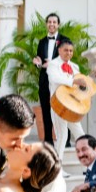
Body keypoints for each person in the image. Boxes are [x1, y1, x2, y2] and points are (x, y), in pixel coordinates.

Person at [46, 38, 91, 152]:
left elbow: (79, 84)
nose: (69, 53)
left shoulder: (75, 67)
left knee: (81, 135)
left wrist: (90, 77)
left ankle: (89, 166)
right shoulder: (53, 65)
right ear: (59, 50)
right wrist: (74, 81)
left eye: (71, 51)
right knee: (62, 137)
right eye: (66, 50)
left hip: (72, 106)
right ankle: (57, 168)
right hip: (58, 104)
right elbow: (54, 78)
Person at [33, 12, 69, 145]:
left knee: (62, 110)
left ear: (58, 24)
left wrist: (52, 64)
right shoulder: (42, 42)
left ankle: (65, 140)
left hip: (59, 81)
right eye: (49, 22)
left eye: (54, 22)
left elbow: (67, 59)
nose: (51, 24)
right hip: (44, 81)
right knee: (46, 110)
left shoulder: (65, 41)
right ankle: (48, 139)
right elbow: (40, 59)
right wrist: (37, 62)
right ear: (46, 24)